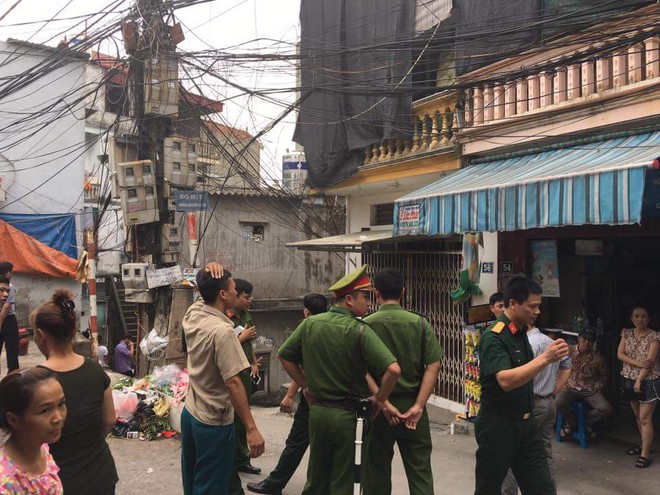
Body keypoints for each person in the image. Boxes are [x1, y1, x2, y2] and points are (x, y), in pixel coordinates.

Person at [278, 265, 401, 495]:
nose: (369, 303)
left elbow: (284, 355)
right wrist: (379, 400)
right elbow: (393, 370)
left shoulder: (310, 324)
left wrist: (306, 386)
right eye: (365, 297)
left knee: (316, 478)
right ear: (349, 300)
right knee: (343, 481)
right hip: (347, 416)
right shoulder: (360, 330)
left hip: (317, 414)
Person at [475, 275, 569, 495]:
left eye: (539, 306)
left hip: (526, 426)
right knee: (489, 489)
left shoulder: (520, 334)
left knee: (542, 487)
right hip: (498, 427)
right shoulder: (494, 336)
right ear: (513, 304)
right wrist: (545, 358)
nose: (537, 312)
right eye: (532, 306)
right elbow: (506, 380)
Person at [181, 264, 265, 495]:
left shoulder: (194, 313)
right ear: (223, 294)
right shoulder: (223, 331)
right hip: (213, 420)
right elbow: (233, 382)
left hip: (191, 412)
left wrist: (209, 270)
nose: (237, 291)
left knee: (195, 479)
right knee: (210, 487)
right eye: (233, 287)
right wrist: (251, 428)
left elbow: (203, 294)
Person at [361, 268, 443, 495]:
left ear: (376, 293)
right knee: (420, 473)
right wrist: (418, 407)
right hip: (413, 409)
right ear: (403, 292)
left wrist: (383, 403)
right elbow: (433, 366)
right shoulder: (419, 323)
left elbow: (362, 371)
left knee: (376, 473)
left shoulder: (366, 324)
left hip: (378, 409)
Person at [33, 289, 118, 495]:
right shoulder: (95, 369)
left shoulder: (35, 381)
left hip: (58, 483)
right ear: (73, 331)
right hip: (101, 475)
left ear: (42, 335)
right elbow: (109, 420)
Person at [247, 293, 328, 495]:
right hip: (336, 399)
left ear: (306, 311)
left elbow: (296, 363)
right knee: (328, 446)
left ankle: (275, 483)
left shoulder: (307, 330)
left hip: (312, 398)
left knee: (297, 442)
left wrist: (293, 393)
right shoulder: (335, 329)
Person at [501, 326, 572, 495]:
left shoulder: (528, 345)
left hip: (531, 403)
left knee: (511, 451)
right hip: (548, 401)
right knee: (544, 451)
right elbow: (567, 365)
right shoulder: (550, 342)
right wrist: (554, 390)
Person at [0, 367, 66, 495]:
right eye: (45, 410)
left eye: (61, 404)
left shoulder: (42, 447)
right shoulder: (6, 484)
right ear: (13, 419)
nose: (58, 418)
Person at [617, 304, 660, 469]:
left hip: (648, 380)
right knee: (637, 416)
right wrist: (637, 363)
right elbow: (620, 354)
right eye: (636, 316)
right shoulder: (626, 333)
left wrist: (639, 379)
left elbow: (650, 362)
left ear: (649, 319)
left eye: (643, 316)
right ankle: (644, 446)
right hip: (629, 377)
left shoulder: (655, 337)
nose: (640, 319)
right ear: (631, 318)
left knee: (644, 417)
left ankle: (646, 454)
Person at [227, 279, 261, 475]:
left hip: (246, 371)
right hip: (231, 373)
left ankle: (242, 458)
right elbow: (225, 347)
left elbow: (249, 347)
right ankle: (230, 458)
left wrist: (254, 363)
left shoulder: (247, 316)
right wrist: (242, 337)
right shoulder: (224, 317)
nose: (250, 300)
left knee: (243, 416)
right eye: (246, 297)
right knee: (231, 417)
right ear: (235, 296)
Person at [555, 330, 612, 440]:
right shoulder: (568, 352)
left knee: (606, 409)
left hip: (589, 388)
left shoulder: (597, 358)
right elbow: (556, 368)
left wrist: (597, 386)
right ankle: (574, 423)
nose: (587, 342)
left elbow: (604, 376)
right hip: (570, 385)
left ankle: (579, 423)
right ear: (579, 338)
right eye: (584, 339)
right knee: (559, 402)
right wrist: (561, 382)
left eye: (590, 341)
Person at [0, 262, 19, 373]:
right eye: (12, 272)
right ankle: (13, 378)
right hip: (8, 319)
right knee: (12, 350)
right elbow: (7, 307)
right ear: (8, 273)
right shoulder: (9, 286)